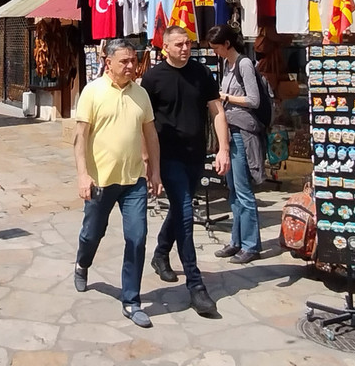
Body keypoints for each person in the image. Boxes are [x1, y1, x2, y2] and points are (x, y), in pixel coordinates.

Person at [140, 25, 230, 318]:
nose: (185, 48)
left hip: (195, 155)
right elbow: (144, 122)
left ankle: (160, 254)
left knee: (180, 210)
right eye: (178, 44)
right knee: (186, 215)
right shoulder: (153, 78)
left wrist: (223, 148)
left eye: (188, 43)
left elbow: (217, 111)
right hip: (168, 157)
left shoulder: (201, 73)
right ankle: (196, 285)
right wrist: (148, 161)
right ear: (165, 47)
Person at [72, 38, 162, 329]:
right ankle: (82, 263)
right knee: (92, 233)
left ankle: (131, 300)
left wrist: (155, 171)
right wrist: (83, 175)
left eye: (133, 60)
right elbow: (80, 137)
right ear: (108, 62)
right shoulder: (92, 92)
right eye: (124, 61)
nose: (131, 66)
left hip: (133, 180)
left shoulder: (141, 94)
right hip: (101, 180)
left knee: (137, 237)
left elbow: (150, 135)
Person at [206, 23, 265, 264]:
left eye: (216, 47)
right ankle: (237, 240)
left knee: (243, 190)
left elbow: (254, 100)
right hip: (229, 132)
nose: (215, 52)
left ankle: (251, 244)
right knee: (233, 190)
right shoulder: (227, 66)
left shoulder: (244, 64)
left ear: (227, 44)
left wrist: (225, 97)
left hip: (242, 132)